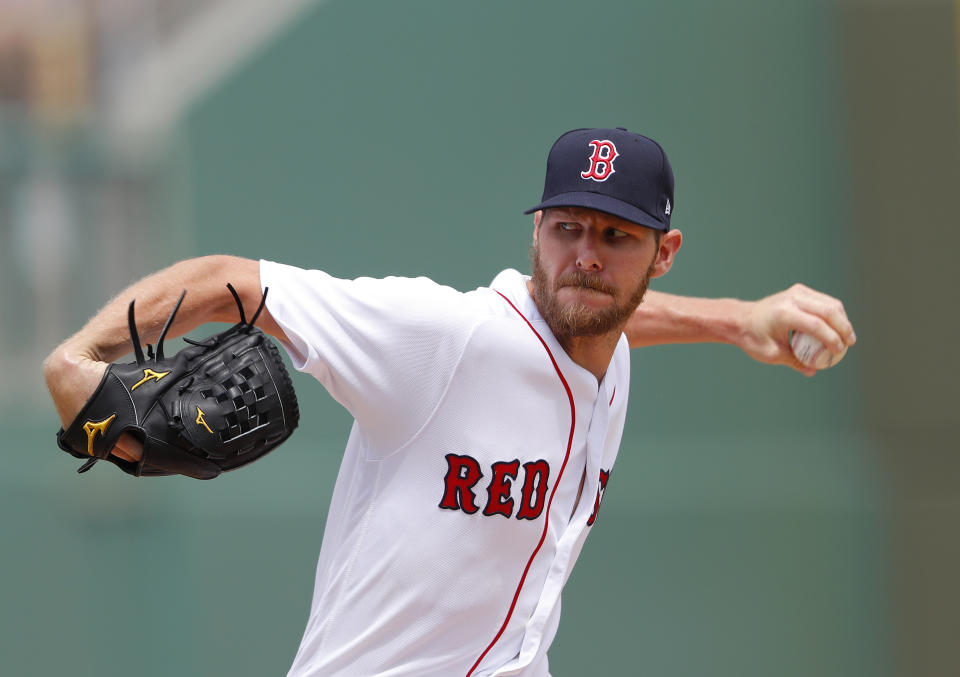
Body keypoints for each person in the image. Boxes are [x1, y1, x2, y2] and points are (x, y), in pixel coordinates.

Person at [44, 127, 855, 676]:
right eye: (567, 227)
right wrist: (81, 357)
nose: (584, 256)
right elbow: (236, 280)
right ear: (534, 230)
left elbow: (602, 318)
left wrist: (738, 319)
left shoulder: (606, 353)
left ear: (662, 253)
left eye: (615, 236)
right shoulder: (444, 337)